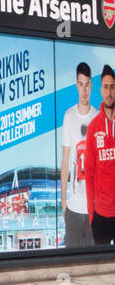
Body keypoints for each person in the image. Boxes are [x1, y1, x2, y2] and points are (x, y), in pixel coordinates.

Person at [61, 62, 97, 249]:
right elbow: (66, 160)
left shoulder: (98, 118)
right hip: (74, 208)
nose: (84, 90)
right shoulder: (69, 116)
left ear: (91, 85)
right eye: (80, 84)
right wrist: (64, 201)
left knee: (95, 264)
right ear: (76, 84)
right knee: (71, 262)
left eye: (87, 84)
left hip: (94, 208)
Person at [85, 65, 115, 248]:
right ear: (100, 90)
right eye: (106, 87)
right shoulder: (93, 127)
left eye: (112, 87)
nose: (109, 92)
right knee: (100, 272)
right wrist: (91, 214)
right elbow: (89, 173)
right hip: (100, 216)